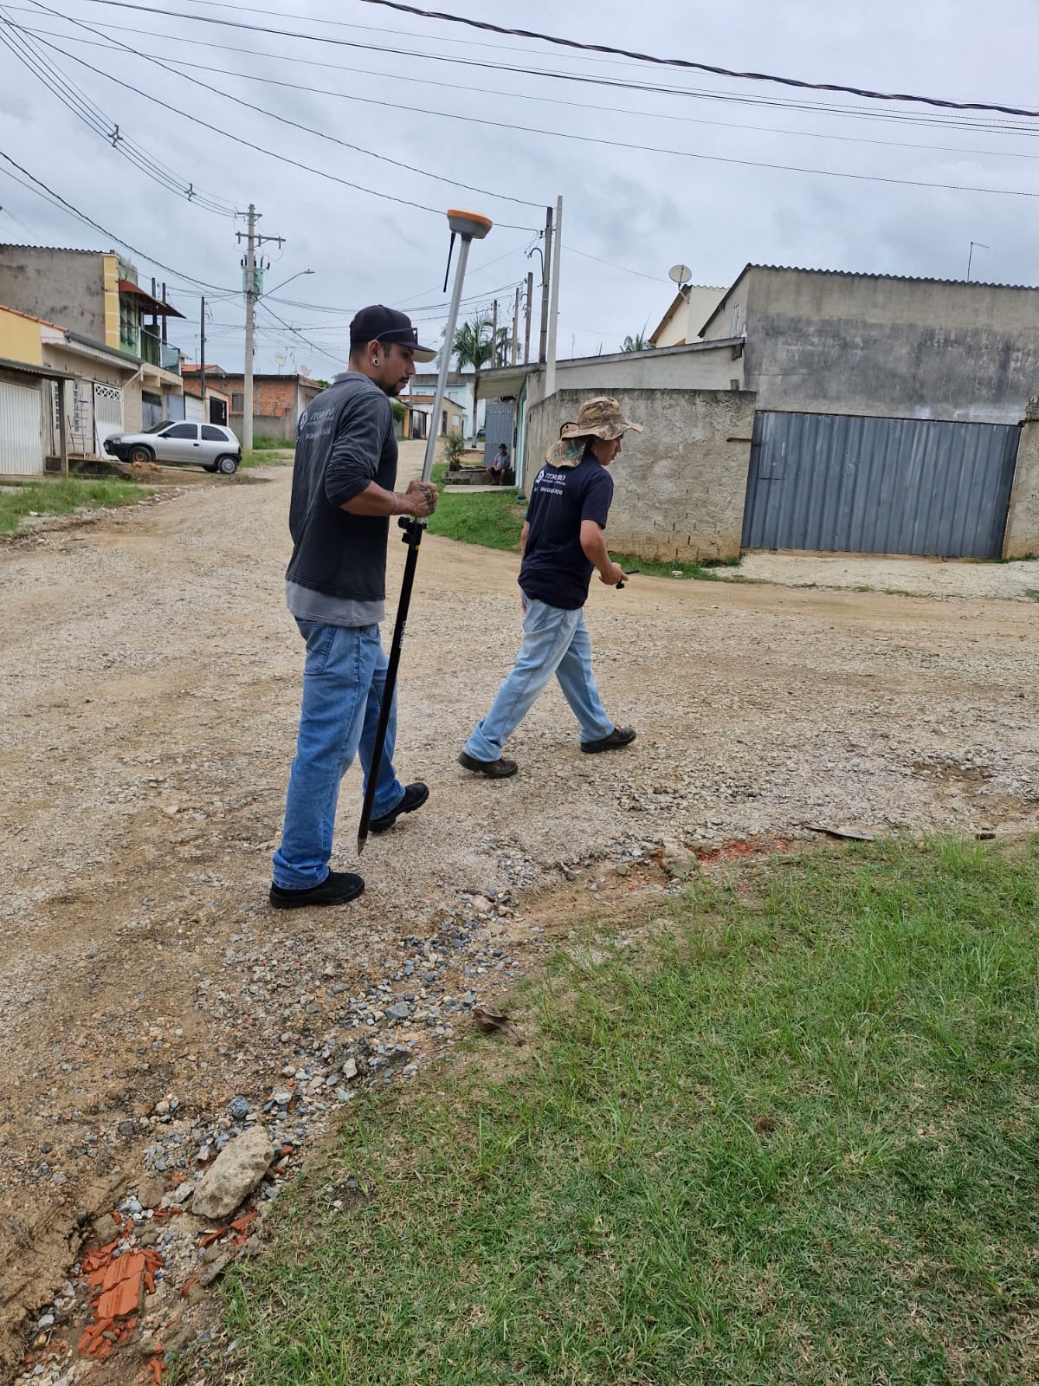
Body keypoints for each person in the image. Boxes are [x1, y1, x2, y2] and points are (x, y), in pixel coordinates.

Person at [270, 305, 439, 909]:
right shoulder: (368, 402)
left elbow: (312, 496)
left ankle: (383, 794)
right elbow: (343, 485)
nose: (410, 372)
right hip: (340, 597)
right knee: (328, 740)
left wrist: (393, 499)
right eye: (405, 358)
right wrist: (404, 504)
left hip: (319, 582)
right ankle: (298, 870)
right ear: (374, 351)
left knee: (376, 693)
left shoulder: (321, 404)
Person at [459, 397, 641, 778]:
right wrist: (608, 571)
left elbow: (527, 533)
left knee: (576, 659)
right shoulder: (597, 479)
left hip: (540, 583)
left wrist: (526, 582)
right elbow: (590, 538)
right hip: (559, 591)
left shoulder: (550, 470)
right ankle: (483, 745)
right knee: (532, 669)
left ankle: (597, 730)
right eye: (617, 439)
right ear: (598, 438)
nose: (619, 448)